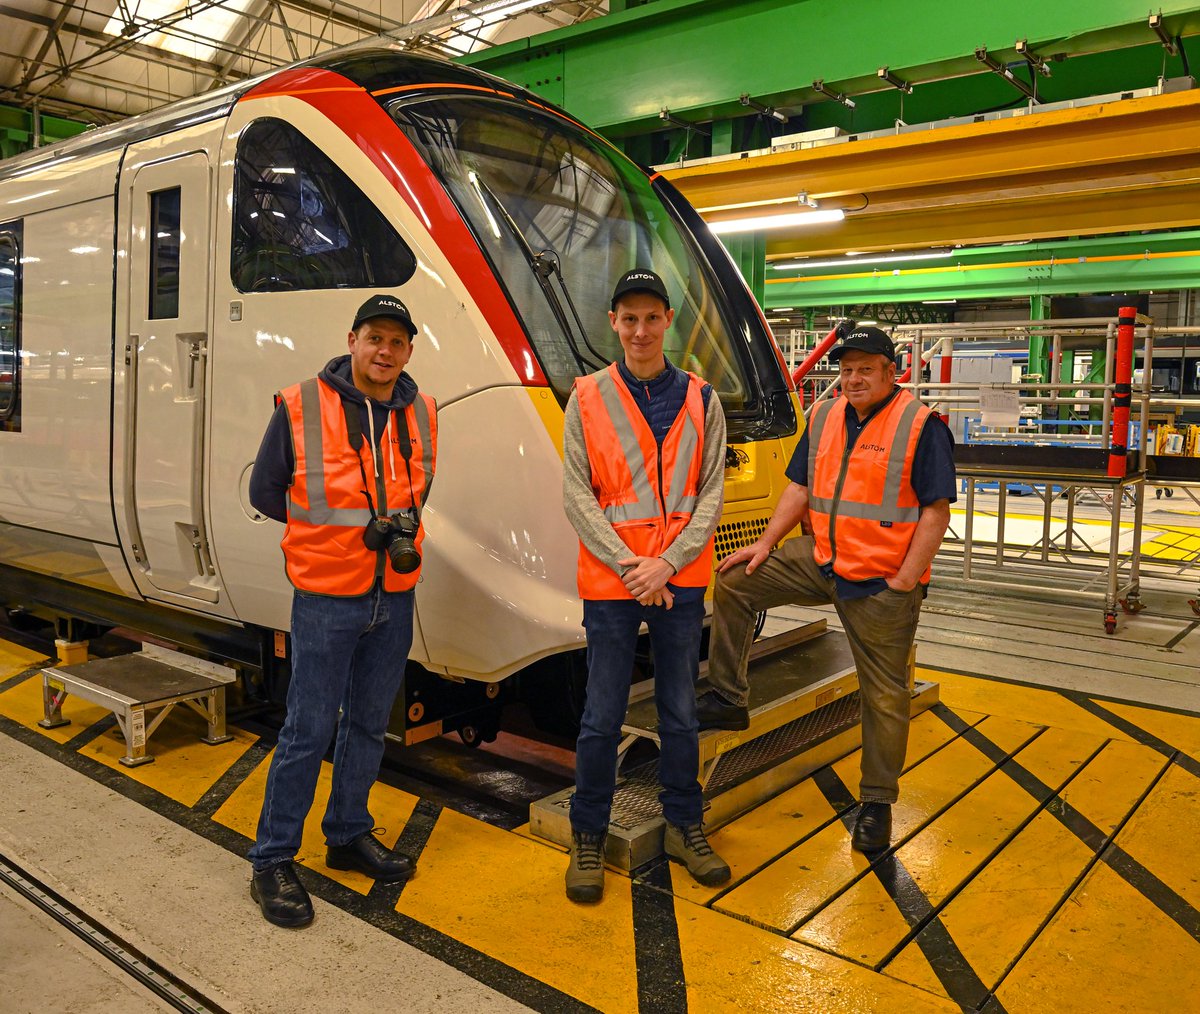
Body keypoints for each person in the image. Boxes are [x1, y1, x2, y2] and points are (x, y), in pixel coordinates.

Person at [698, 326, 955, 853]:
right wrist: (766, 545)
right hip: (822, 562)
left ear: (892, 371)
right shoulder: (824, 415)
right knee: (734, 581)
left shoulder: (921, 427)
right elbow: (799, 486)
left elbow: (936, 512)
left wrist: (906, 580)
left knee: (884, 697)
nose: (854, 378)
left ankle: (877, 804)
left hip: (882, 584)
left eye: (866, 368)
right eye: (846, 369)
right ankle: (728, 695)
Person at [245, 293, 437, 927]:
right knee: (308, 728)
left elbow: (420, 489)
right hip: (327, 594)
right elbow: (266, 489)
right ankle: (272, 859)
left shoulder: (423, 412)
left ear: (408, 350)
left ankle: (348, 831)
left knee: (367, 725)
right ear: (352, 339)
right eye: (374, 338)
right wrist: (323, 538)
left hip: (394, 593)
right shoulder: (301, 404)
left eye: (397, 342)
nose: (385, 352)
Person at [561, 268, 731, 902]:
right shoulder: (586, 397)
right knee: (601, 716)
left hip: (679, 578)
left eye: (651, 318)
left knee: (681, 712)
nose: (639, 329)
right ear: (614, 323)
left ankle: (686, 826)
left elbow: (710, 492)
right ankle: (587, 835)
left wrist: (667, 563)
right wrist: (635, 567)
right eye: (628, 318)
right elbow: (577, 495)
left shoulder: (701, 398)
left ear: (667, 322)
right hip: (614, 581)